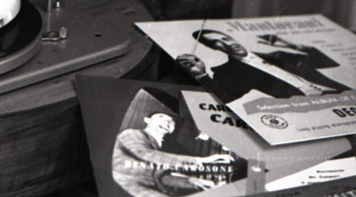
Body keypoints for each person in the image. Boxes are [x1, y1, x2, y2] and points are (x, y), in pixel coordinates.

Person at [177, 31, 350, 103]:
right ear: (214, 48)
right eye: (217, 43)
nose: (227, 44)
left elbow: (329, 63)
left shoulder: (279, 55)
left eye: (226, 38)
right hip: (309, 105)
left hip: (342, 94)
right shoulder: (227, 72)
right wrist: (201, 75)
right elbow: (227, 99)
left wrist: (291, 45)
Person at [112, 112, 234, 197]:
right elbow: (145, 154)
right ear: (147, 120)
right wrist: (201, 161)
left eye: (171, 121)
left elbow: (159, 175)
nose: (167, 121)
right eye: (161, 117)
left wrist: (196, 183)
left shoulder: (158, 148)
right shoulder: (131, 134)